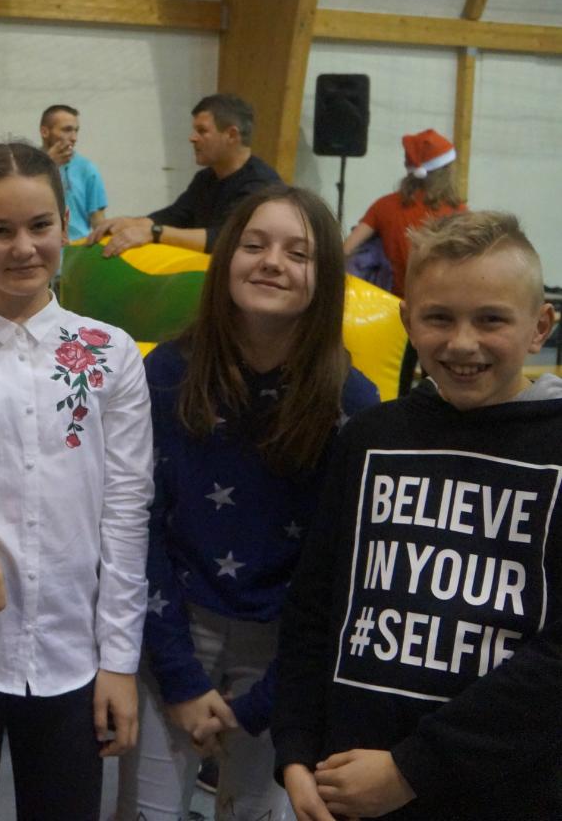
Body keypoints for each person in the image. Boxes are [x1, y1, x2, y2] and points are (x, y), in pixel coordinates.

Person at [274, 211, 562, 821]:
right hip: (349, 783)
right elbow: (316, 604)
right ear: (407, 321)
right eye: (439, 318)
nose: (462, 343)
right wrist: (295, 747)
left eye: (491, 319)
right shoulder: (370, 436)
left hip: (506, 791)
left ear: (540, 326)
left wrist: (413, 769)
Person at [118, 187, 379, 821]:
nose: (271, 262)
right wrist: (178, 675)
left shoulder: (351, 401)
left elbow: (339, 565)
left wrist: (268, 701)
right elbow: (139, 524)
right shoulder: (167, 374)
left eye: (298, 253)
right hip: (174, 627)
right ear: (227, 258)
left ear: (325, 277)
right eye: (254, 245)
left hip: (283, 649)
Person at [0, 141, 153, 821]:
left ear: (66, 225)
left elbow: (125, 514)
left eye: (40, 225)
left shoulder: (110, 354)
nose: (23, 247)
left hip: (71, 657)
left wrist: (119, 661)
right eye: (0, 230)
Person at [91, 94, 283, 257]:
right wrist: (131, 223)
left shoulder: (262, 186)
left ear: (231, 135)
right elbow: (176, 215)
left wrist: (154, 233)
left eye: (202, 131)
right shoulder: (205, 178)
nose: (192, 138)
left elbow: (223, 239)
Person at [342, 129, 466, 298]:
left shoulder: (384, 206)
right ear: (446, 172)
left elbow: (347, 249)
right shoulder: (458, 212)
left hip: (392, 304)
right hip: (439, 305)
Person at [39, 105, 108, 242]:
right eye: (67, 130)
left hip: (77, 248)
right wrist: (48, 166)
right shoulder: (26, 167)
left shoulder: (86, 168)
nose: (74, 138)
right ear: (45, 132)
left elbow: (98, 221)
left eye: (76, 131)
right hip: (40, 246)